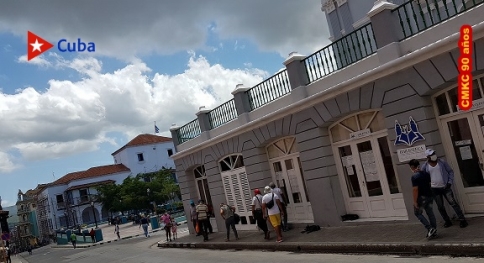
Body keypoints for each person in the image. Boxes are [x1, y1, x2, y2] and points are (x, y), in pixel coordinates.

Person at [420, 149, 468, 228]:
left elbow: (450, 172)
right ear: (428, 157)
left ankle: (462, 220)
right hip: (434, 189)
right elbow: (423, 177)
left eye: (434, 153)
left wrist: (449, 182)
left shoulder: (442, 162)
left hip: (445, 187)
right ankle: (447, 221)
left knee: (453, 203)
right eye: (432, 154)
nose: (434, 155)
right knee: (440, 206)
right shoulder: (425, 166)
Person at [409, 159, 437, 238]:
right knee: (430, 213)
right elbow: (430, 184)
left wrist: (415, 201)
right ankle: (433, 231)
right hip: (429, 196)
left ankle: (430, 228)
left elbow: (415, 189)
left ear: (412, 167)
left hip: (421, 197)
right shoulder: (426, 173)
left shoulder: (414, 176)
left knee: (417, 213)